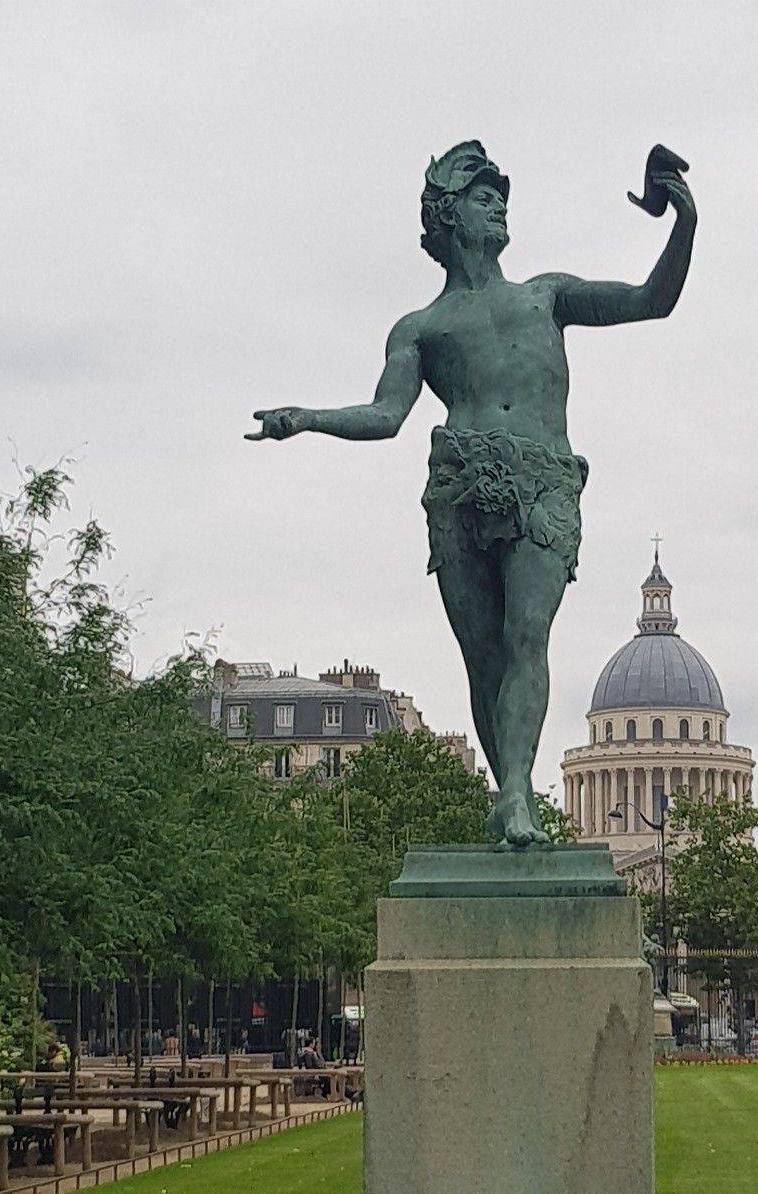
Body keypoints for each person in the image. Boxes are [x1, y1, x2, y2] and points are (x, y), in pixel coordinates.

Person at [247, 141, 695, 845]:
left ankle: (515, 794)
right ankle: (508, 792)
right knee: (483, 657)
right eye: (485, 198)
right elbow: (386, 417)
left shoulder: (546, 295)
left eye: (501, 197)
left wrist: (683, 222)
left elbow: (651, 300)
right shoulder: (420, 328)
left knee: (525, 635)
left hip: (541, 482)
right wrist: (306, 419)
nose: (501, 207)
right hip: (457, 483)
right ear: (450, 217)